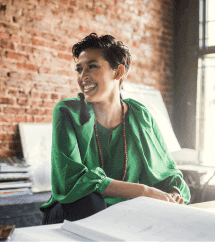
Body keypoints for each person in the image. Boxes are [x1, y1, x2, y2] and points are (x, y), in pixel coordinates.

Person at [40, 33, 191, 224]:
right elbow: (72, 179)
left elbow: (168, 173)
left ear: (118, 72)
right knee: (90, 200)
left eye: (92, 67)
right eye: (79, 69)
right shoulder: (67, 112)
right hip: (72, 210)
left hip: (123, 215)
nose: (82, 76)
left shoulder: (140, 116)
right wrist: (143, 191)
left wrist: (173, 194)